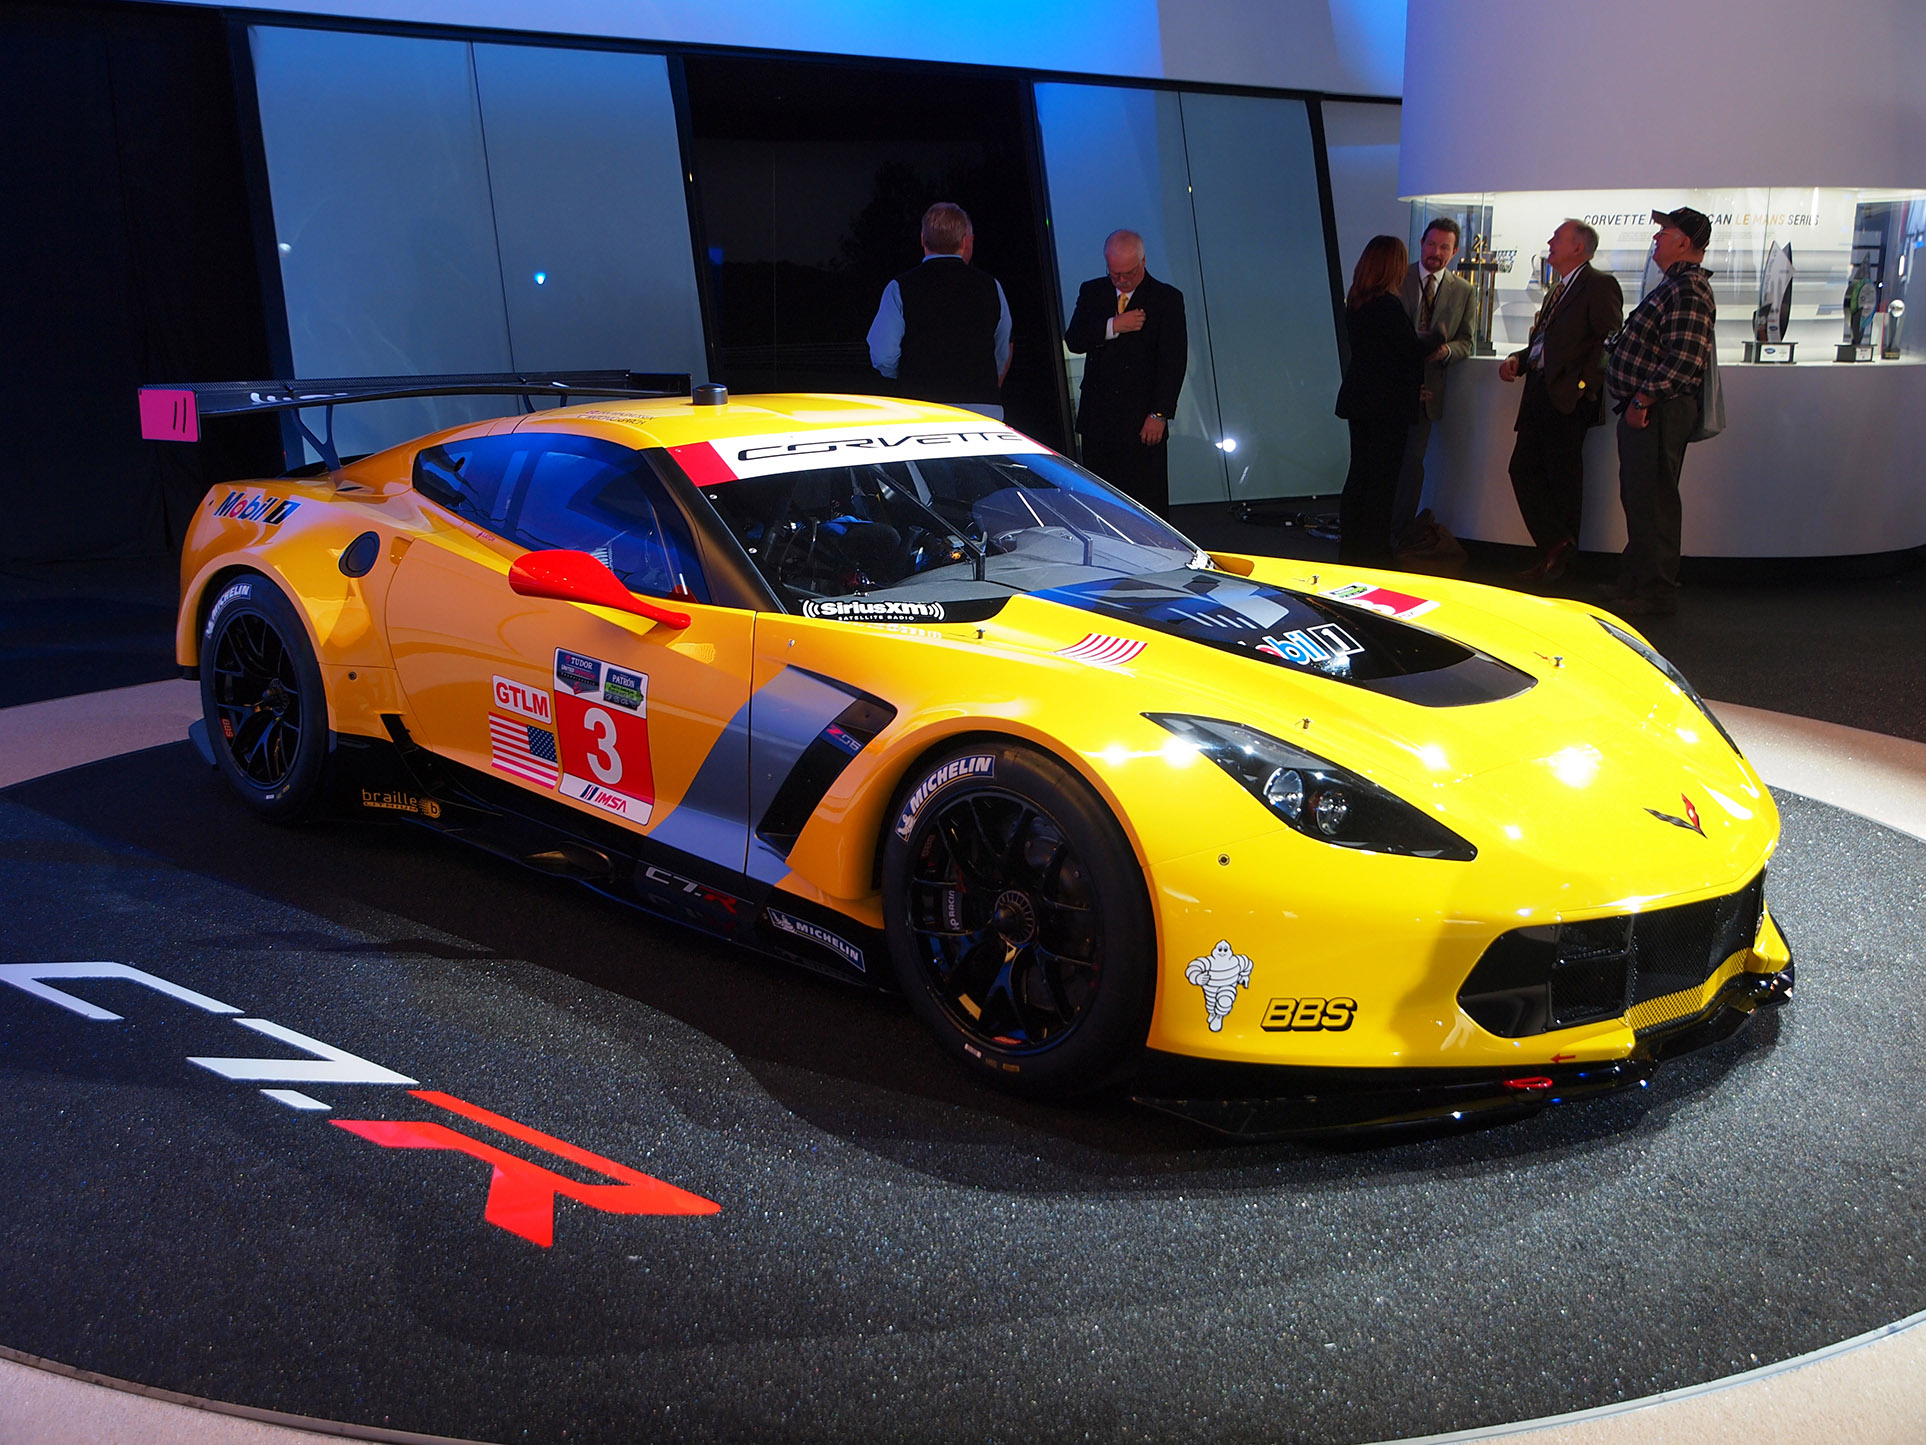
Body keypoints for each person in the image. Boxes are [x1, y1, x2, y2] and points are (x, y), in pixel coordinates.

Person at [1603, 207, 1718, 617]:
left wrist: (1641, 400)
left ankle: (1655, 591)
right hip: (1652, 409)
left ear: (1684, 242)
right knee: (1642, 497)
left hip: (1658, 412)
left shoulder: (1688, 290)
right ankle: (1638, 582)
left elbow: (1684, 360)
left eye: (1664, 232)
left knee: (1653, 500)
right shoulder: (1677, 286)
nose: (1656, 239)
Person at [1497, 219, 1624, 583]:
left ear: (1578, 248)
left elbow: (1607, 342)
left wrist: (1585, 388)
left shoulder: (1599, 285)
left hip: (1568, 399)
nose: (1550, 242)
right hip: (1539, 393)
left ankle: (1561, 563)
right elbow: (1546, 343)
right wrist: (1519, 360)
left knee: (1563, 480)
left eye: (1558, 237)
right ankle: (1556, 548)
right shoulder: (1558, 289)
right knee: (1523, 469)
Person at [1062, 230, 1187, 516]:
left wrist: (1159, 413)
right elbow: (1074, 339)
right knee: (1100, 501)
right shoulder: (1092, 291)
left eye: (1127, 273)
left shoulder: (1166, 299)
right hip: (1100, 417)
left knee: (1147, 501)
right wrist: (1113, 326)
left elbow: (1173, 360)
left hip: (1143, 417)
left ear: (1143, 262)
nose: (1120, 280)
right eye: (1114, 273)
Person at [1335, 235, 1443, 566]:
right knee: (1382, 481)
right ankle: (1374, 551)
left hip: (1360, 400)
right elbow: (1407, 350)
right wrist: (1436, 336)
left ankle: (1353, 546)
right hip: (1387, 406)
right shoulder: (1388, 305)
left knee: (1360, 474)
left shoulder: (1356, 301)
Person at [867, 202, 1012, 418]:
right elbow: (1002, 350)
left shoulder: (899, 287)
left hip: (921, 410)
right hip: (983, 410)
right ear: (965, 241)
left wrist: (913, 374)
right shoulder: (991, 287)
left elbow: (883, 356)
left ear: (923, 240)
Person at [1392, 218, 1475, 539]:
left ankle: (1398, 534)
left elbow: (1467, 340)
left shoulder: (1464, 291)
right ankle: (1375, 530)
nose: (1435, 253)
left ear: (1454, 252)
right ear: (1421, 244)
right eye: (1430, 244)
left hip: (1427, 393)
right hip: (1392, 388)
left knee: (1412, 465)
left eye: (1443, 247)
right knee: (1385, 462)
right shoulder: (1398, 279)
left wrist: (1446, 352)